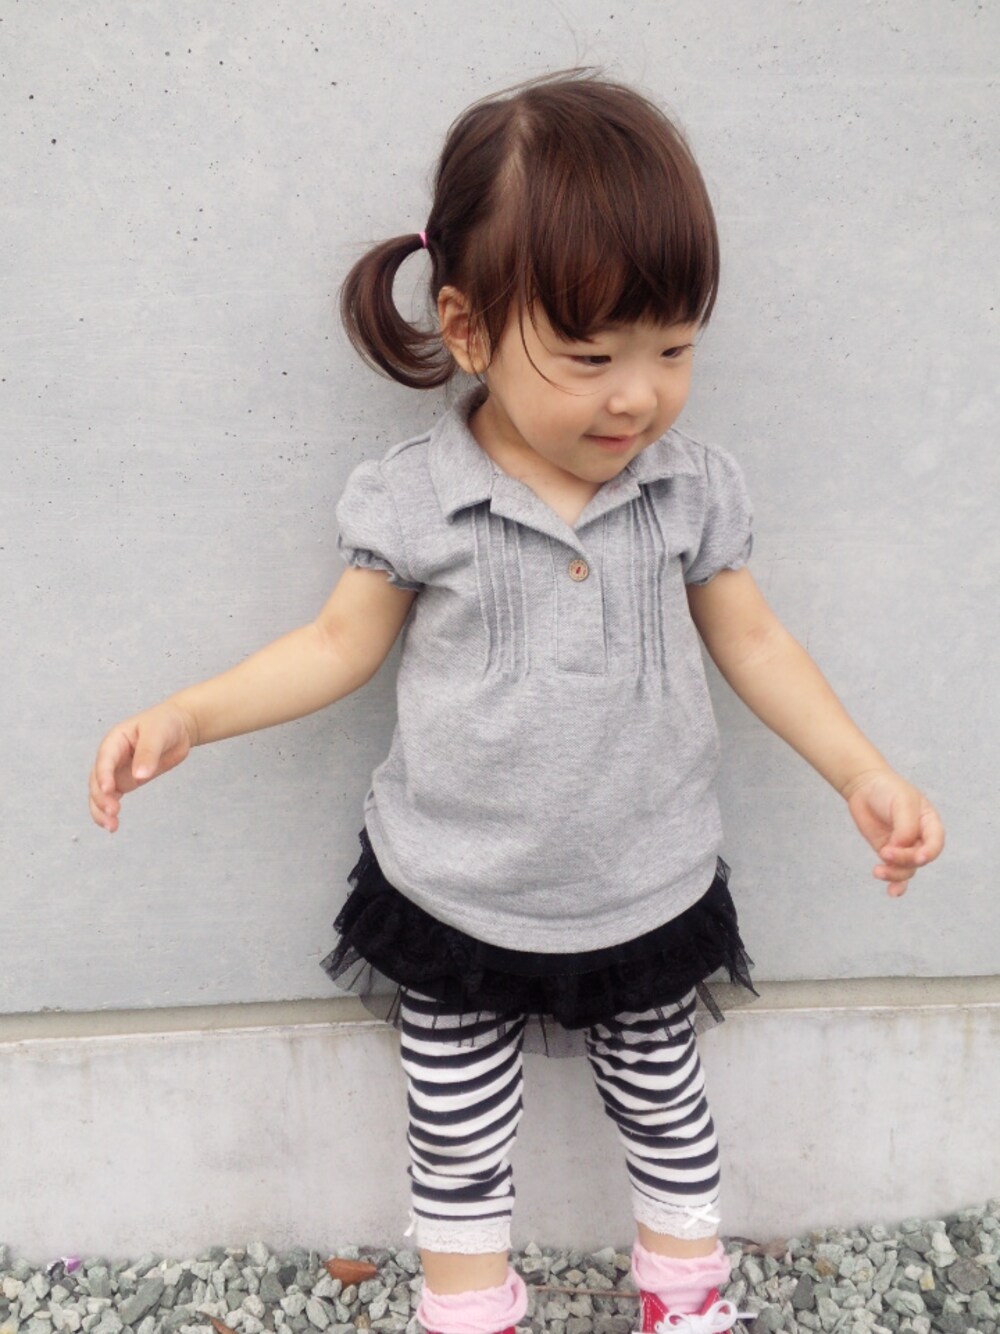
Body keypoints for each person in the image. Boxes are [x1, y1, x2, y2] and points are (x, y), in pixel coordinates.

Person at [89, 70, 944, 1334]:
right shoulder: (414, 497)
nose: (637, 394)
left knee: (667, 1106)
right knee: (454, 1129)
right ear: (469, 327)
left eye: (672, 348)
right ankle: (468, 1304)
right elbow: (334, 644)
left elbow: (756, 641)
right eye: (591, 356)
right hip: (457, 890)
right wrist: (189, 716)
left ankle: (684, 1296)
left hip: (644, 883)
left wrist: (862, 771)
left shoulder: (688, 489)